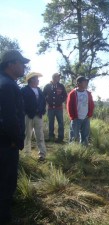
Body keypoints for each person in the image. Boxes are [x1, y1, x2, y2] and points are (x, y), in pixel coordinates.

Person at [0, 50, 29, 224]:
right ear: (11, 64)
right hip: (6, 145)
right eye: (21, 62)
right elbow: (10, 119)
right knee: (6, 184)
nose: (24, 66)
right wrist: (17, 141)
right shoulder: (8, 86)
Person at [21, 72, 47, 161]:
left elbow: (43, 101)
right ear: (31, 79)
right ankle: (26, 154)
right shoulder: (24, 90)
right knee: (27, 135)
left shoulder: (39, 90)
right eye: (36, 78)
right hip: (28, 116)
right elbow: (21, 103)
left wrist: (42, 110)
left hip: (38, 116)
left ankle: (42, 155)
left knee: (40, 135)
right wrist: (26, 112)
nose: (38, 80)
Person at [66, 76, 94, 146]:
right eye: (84, 82)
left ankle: (84, 150)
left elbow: (92, 104)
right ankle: (73, 150)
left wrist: (89, 115)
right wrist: (73, 117)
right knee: (74, 136)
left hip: (86, 118)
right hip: (76, 118)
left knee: (85, 136)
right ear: (79, 83)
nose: (86, 83)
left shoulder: (88, 93)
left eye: (86, 82)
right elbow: (69, 106)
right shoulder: (73, 93)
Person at [43, 73, 67, 143]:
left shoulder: (61, 86)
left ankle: (60, 138)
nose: (59, 78)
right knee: (50, 123)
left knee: (61, 123)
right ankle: (51, 137)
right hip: (50, 108)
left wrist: (61, 101)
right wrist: (47, 101)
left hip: (59, 108)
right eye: (58, 77)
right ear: (54, 77)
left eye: (59, 77)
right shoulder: (47, 86)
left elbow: (65, 95)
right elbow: (43, 95)